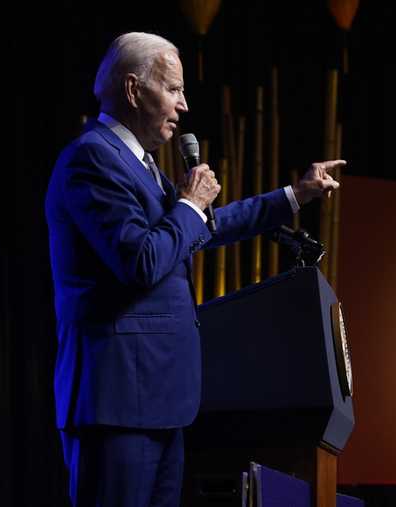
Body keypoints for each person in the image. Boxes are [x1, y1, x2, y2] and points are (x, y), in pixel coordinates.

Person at [45, 31, 343, 506]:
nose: (183, 106)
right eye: (174, 89)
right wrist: (187, 203)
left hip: (161, 400)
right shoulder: (92, 158)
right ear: (132, 89)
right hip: (119, 399)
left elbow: (203, 226)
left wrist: (294, 195)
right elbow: (141, 260)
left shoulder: (140, 165)